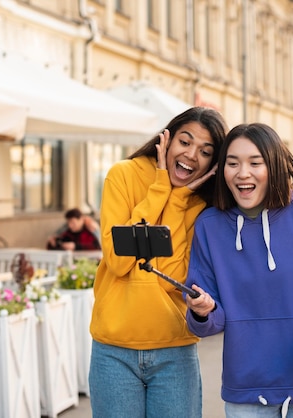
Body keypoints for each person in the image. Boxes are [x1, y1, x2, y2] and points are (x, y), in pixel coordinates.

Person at [184, 123, 293, 418]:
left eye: (255, 163)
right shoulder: (208, 225)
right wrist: (201, 311)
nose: (243, 173)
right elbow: (209, 319)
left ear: (272, 165)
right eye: (233, 163)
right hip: (246, 384)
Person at [88, 106, 228, 418]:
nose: (192, 155)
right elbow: (119, 261)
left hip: (174, 350)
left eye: (205, 151)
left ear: (212, 163)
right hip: (115, 350)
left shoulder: (200, 206)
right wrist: (161, 188)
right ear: (167, 139)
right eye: (185, 141)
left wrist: (177, 202)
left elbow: (173, 278)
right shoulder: (123, 175)